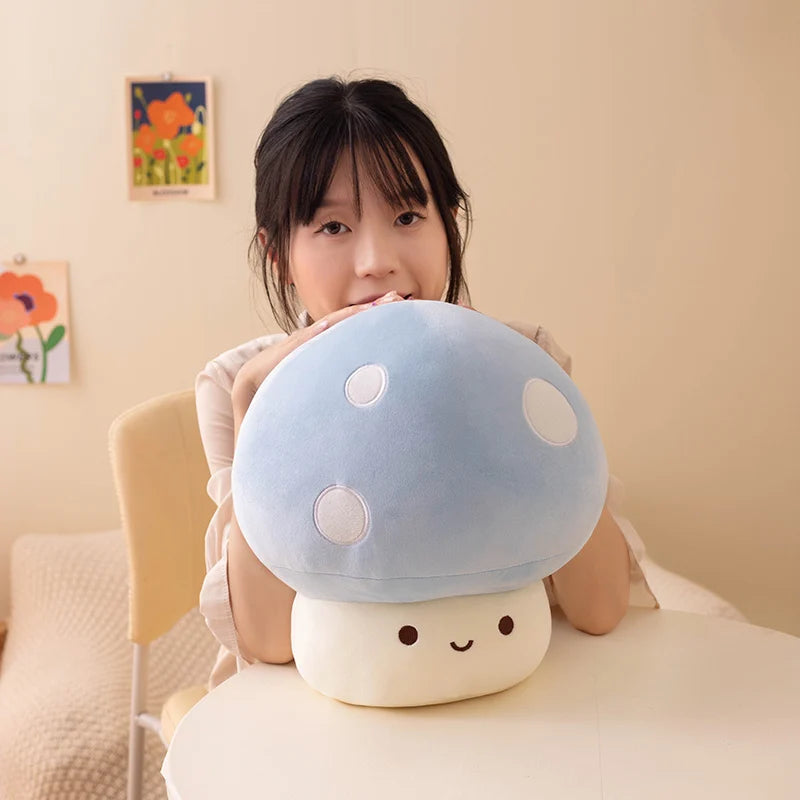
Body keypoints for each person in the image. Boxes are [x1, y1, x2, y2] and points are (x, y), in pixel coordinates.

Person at [195, 76, 738, 689]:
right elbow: (269, 641)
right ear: (278, 256)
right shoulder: (238, 385)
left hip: (508, 696)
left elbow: (601, 607)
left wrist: (505, 381)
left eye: (407, 216)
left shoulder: (525, 359)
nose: (376, 261)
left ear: (449, 226)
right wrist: (255, 411)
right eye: (333, 228)